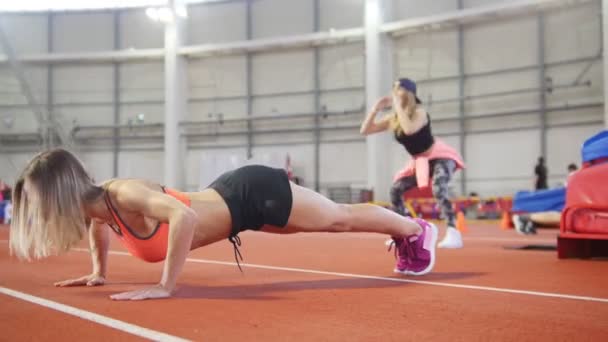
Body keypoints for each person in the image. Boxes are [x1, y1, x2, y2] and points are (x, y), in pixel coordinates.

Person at [10, 149, 438, 301]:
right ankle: (404, 231)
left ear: (59, 194)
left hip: (248, 192)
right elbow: (98, 227)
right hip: (237, 207)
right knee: (330, 222)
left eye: (40, 204)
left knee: (338, 220)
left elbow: (184, 215)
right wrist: (98, 272)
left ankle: (416, 231)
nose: (39, 215)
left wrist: (166, 285)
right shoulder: (98, 209)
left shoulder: (121, 193)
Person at [360, 78, 465, 249]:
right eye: (393, 89)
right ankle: (403, 231)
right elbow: (365, 130)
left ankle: (454, 232)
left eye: (398, 89)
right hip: (420, 161)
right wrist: (375, 110)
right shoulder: (393, 118)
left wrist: (397, 105)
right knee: (396, 189)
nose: (394, 93)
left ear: (409, 93)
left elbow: (409, 130)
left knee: (439, 188)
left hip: (439, 156)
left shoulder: (420, 113)